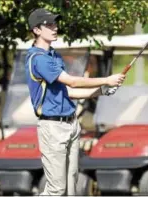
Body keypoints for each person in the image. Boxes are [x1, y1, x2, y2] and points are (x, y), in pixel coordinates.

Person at [25, 8, 125, 196]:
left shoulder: (53, 55)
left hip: (71, 124)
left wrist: (101, 90)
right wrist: (106, 79)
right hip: (53, 128)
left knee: (71, 187)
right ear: (37, 30)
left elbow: (69, 91)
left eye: (55, 23)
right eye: (49, 25)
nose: (55, 28)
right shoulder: (38, 59)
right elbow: (72, 80)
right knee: (56, 189)